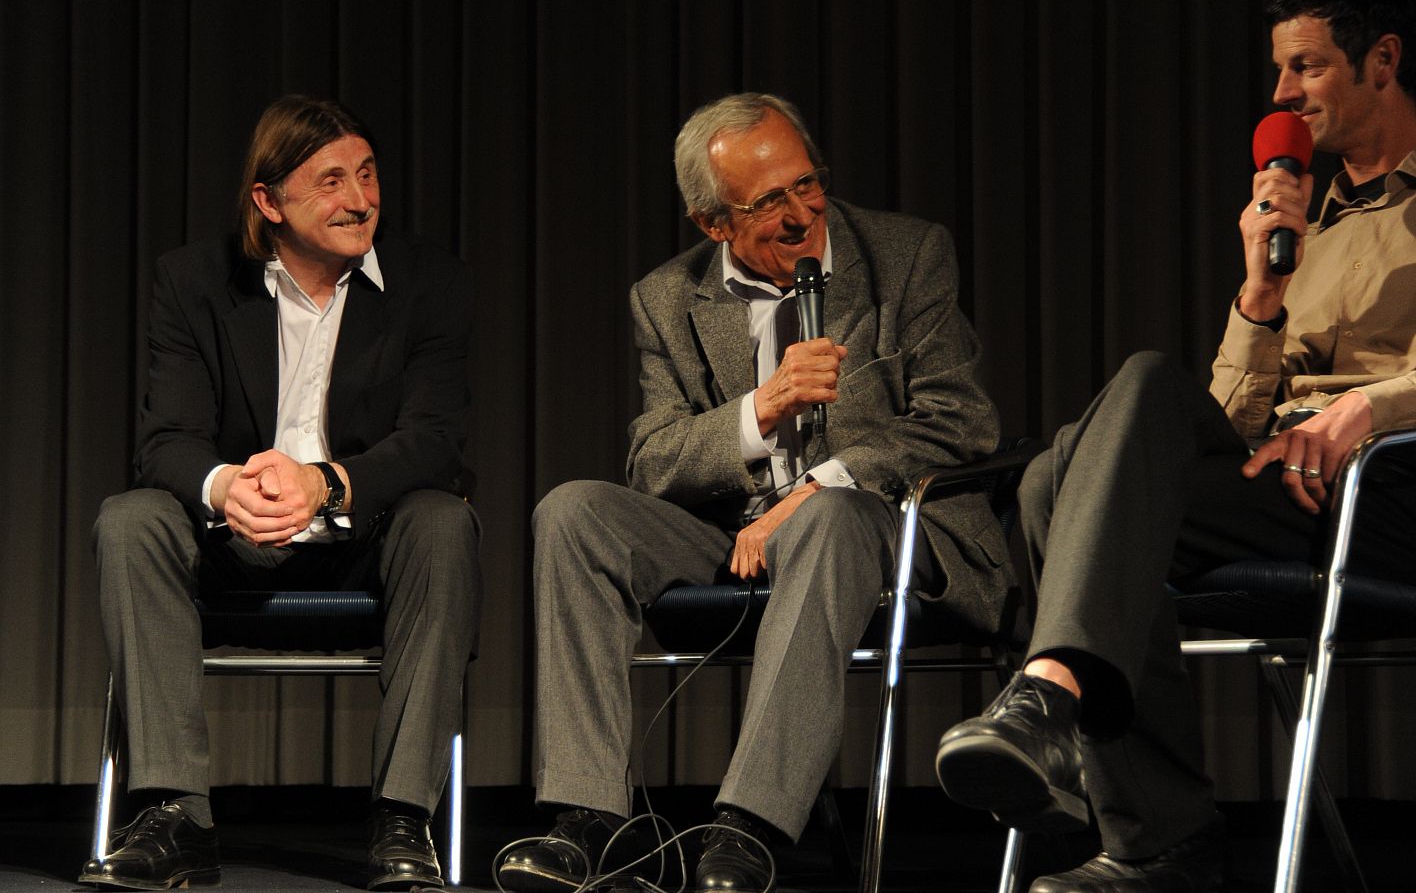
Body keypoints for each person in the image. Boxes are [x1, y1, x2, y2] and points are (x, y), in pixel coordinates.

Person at [934, 0, 1416, 892]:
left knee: (1095, 458)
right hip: (1286, 486)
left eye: (1307, 67)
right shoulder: (1307, 223)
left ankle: (1074, 737)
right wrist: (1261, 293)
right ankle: (1152, 832)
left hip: (1389, 489)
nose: (1281, 95)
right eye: (1279, 71)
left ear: (1383, 60)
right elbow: (1230, 420)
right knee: (1061, 472)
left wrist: (1367, 407)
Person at [496, 92, 1014, 893]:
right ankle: (586, 818)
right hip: (733, 539)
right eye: (770, 201)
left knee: (828, 517)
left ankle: (746, 827)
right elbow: (653, 461)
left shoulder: (906, 255)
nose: (803, 214)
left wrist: (819, 485)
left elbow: (961, 421)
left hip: (884, 528)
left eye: (808, 183)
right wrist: (760, 410)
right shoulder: (666, 298)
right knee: (573, 513)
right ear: (713, 223)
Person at [81, 95, 481, 892]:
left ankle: (404, 819)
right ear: (269, 201)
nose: (360, 200)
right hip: (233, 547)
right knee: (130, 520)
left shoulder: (427, 281)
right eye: (331, 181)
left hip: (366, 544)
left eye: (367, 174)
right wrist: (229, 487)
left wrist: (324, 484)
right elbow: (166, 442)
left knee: (444, 522)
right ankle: (175, 817)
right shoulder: (194, 282)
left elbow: (436, 441)